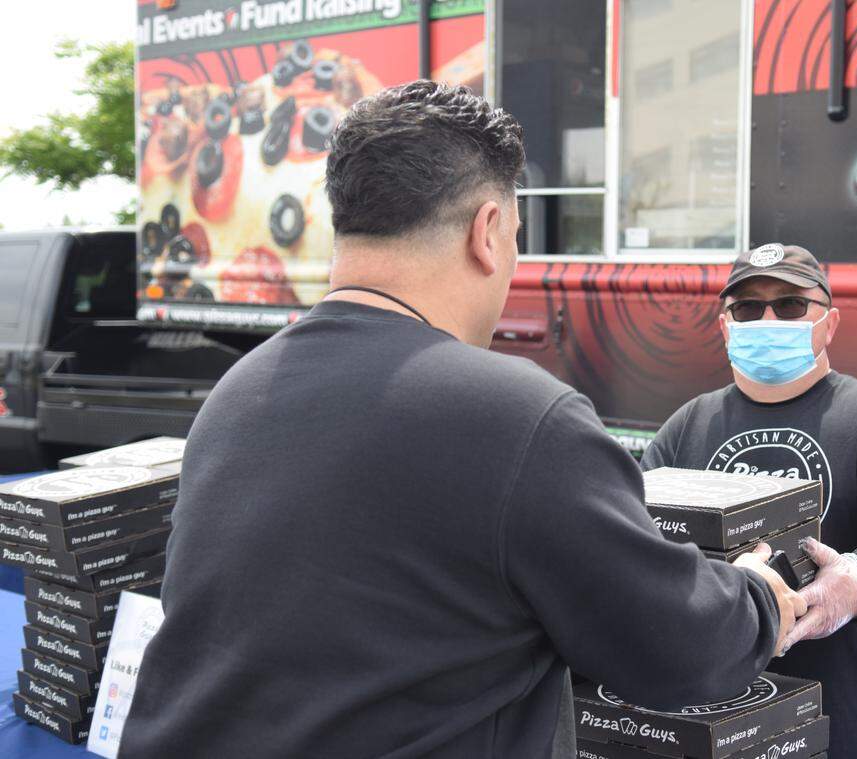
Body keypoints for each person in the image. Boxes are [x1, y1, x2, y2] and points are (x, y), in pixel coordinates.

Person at [119, 82, 804, 759]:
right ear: (487, 232)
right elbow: (676, 650)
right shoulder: (518, 416)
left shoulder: (237, 392)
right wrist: (760, 599)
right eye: (514, 237)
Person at [640, 243, 857, 759]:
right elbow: (630, 531)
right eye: (747, 309)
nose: (767, 320)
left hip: (842, 730)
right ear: (725, 327)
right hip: (711, 727)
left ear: (828, 324)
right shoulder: (688, 426)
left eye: (788, 306)